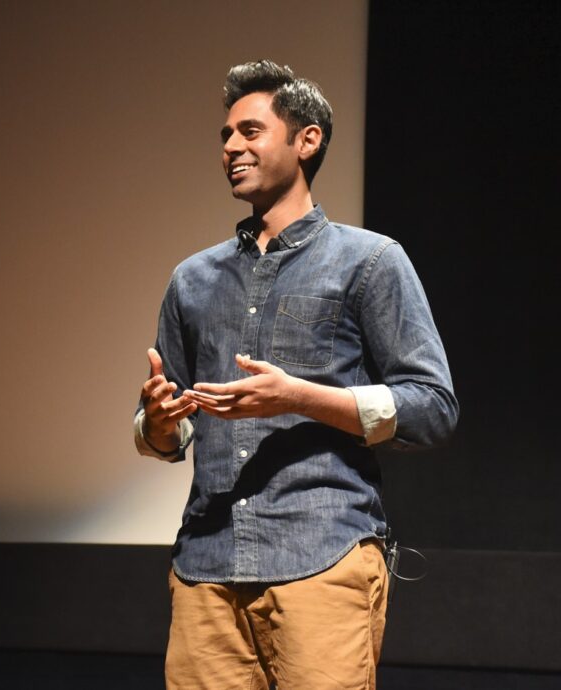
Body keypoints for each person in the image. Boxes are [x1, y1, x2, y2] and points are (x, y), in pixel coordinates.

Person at [134, 59, 458, 690]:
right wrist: (159, 422)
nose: (231, 147)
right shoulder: (192, 280)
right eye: (225, 136)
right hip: (206, 570)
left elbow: (432, 408)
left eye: (250, 132)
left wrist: (299, 397)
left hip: (321, 559)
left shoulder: (370, 260)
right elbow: (162, 436)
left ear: (306, 140)